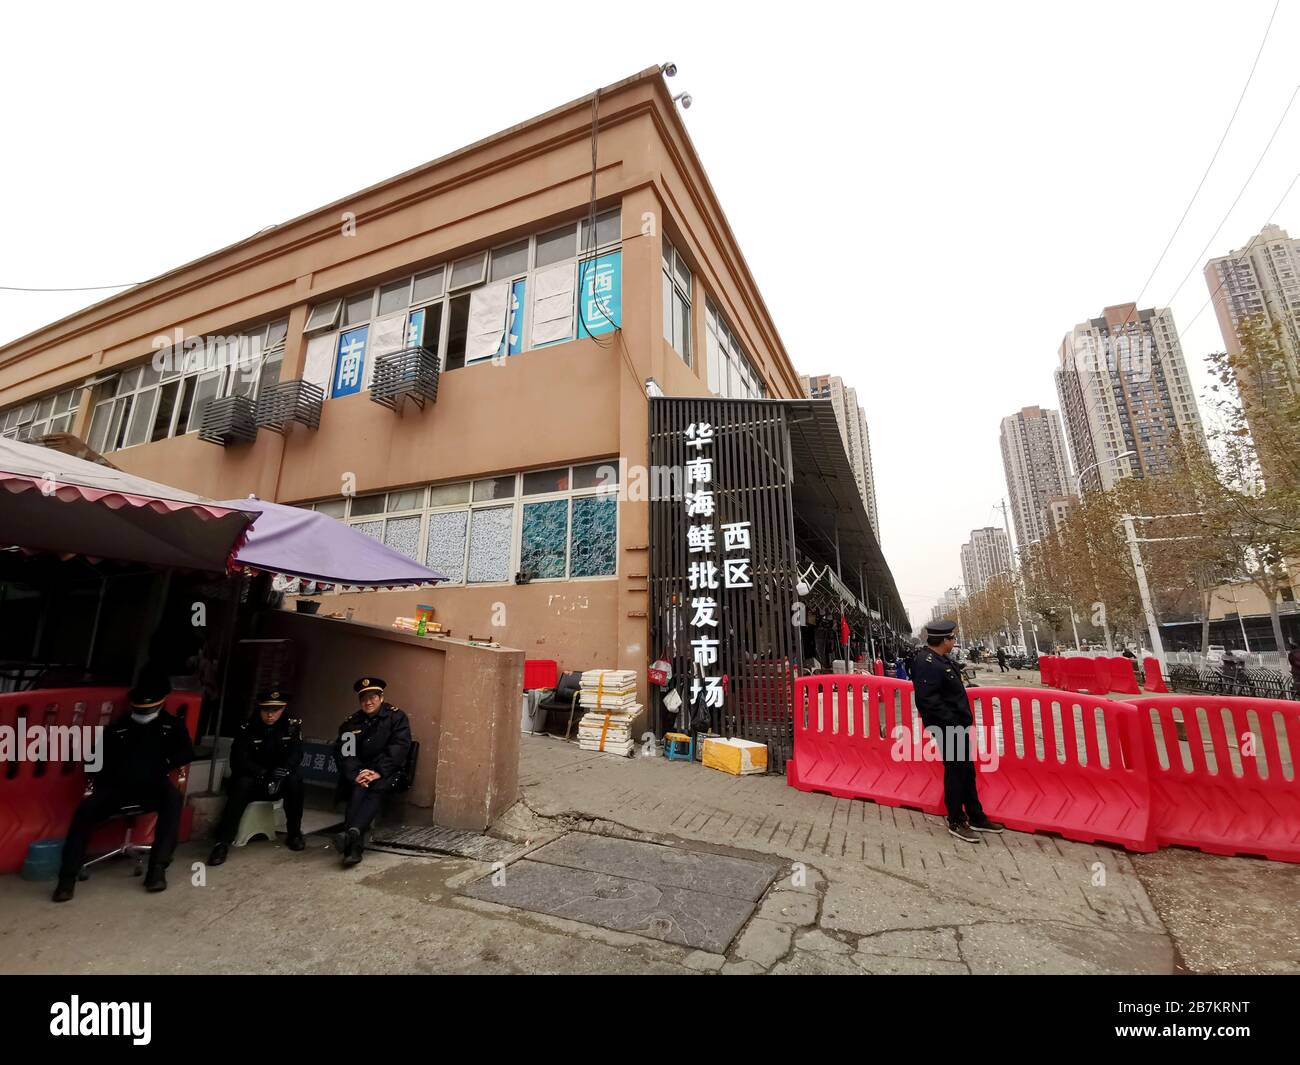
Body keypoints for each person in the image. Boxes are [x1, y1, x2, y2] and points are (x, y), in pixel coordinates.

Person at [53, 671, 195, 902]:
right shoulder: (118, 728)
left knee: (172, 799)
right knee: (86, 809)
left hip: (153, 786)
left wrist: (165, 764)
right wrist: (104, 776)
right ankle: (67, 878)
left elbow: (187, 752)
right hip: (116, 789)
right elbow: (93, 761)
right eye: (139, 709)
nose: (143, 713)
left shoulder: (171, 726)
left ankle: (157, 869)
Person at [911, 621, 1004, 844]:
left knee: (966, 771)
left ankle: (976, 816)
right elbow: (928, 700)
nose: (954, 642)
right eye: (952, 638)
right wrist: (951, 723)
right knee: (955, 773)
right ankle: (955, 819)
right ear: (944, 640)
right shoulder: (926, 662)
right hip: (947, 727)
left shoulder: (942, 660)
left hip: (958, 726)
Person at [207, 690, 306, 866]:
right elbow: (239, 760)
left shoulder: (291, 726)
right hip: (254, 780)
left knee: (295, 781)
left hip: (278, 780)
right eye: (266, 710)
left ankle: (294, 833)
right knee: (241, 784)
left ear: (283, 709)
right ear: (259, 708)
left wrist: (282, 771)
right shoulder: (247, 727)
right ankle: (222, 842)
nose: (270, 714)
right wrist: (263, 773)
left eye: (275, 710)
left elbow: (296, 754)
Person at [333, 677, 412, 867]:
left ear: (381, 697)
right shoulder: (352, 723)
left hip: (387, 772)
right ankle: (354, 841)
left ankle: (351, 839)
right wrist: (357, 774)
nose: (368, 702)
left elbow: (399, 747)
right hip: (360, 773)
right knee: (358, 788)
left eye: (372, 697)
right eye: (364, 698)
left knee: (375, 788)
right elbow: (345, 752)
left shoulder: (396, 717)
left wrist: (377, 771)